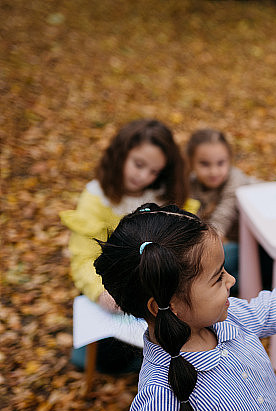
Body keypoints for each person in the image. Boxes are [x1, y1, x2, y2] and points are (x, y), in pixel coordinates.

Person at [93, 158, 276, 411]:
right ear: (168, 303)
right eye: (217, 278)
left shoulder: (232, 317)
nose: (231, 281)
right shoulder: (159, 399)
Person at [60, 119, 198, 373]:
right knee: (86, 359)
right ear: (120, 154)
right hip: (114, 290)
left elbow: (186, 241)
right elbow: (83, 259)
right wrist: (100, 292)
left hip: (160, 286)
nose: (143, 176)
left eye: (154, 171)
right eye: (138, 164)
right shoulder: (96, 198)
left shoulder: (163, 193)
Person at [186, 128, 259, 290]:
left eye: (221, 163)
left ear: (229, 160)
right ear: (191, 162)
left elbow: (221, 221)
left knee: (206, 266)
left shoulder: (235, 180)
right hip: (236, 245)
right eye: (204, 164)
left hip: (259, 245)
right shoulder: (191, 184)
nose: (214, 171)